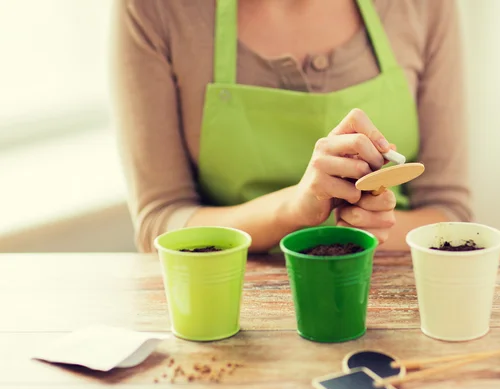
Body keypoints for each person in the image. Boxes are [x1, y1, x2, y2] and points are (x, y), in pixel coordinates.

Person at [111, 0, 472, 253]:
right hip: (234, 298)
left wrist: (369, 229)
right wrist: (294, 210)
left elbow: (449, 212)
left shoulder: (424, 5)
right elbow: (158, 225)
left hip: (394, 291)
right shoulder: (154, 9)